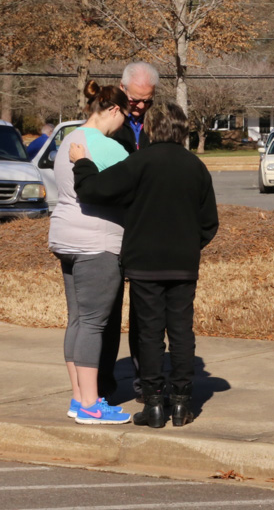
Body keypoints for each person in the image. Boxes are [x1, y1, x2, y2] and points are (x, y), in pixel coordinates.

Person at [72, 101, 219, 428]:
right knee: (182, 332)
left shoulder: (138, 162)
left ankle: (153, 405)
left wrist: (82, 163)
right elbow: (209, 223)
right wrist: (188, 247)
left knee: (149, 334)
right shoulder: (195, 167)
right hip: (182, 265)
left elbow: (94, 189)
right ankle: (182, 403)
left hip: (143, 266)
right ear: (183, 130)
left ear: (151, 129)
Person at [48, 82, 131, 425]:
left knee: (78, 320)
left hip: (65, 236)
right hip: (97, 242)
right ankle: (91, 405)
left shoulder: (68, 138)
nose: (123, 124)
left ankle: (79, 397)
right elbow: (132, 189)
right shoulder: (109, 148)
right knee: (95, 324)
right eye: (124, 116)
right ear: (113, 110)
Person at [99, 62, 158, 401]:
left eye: (146, 101)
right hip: (110, 226)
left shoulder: (157, 123)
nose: (139, 106)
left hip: (145, 229)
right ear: (121, 88)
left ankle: (145, 382)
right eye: (134, 99)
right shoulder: (105, 122)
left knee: (145, 312)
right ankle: (104, 386)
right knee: (106, 311)